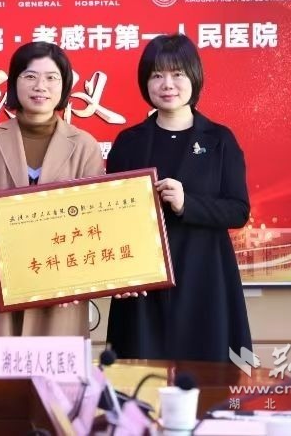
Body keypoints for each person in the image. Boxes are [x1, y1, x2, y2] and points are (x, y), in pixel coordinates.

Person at [106, 34, 252, 362]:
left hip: (205, 276)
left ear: (194, 77)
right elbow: (112, 215)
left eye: (177, 74)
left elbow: (238, 210)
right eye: (157, 75)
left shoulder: (219, 139)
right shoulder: (129, 141)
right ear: (146, 82)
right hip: (143, 281)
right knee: (138, 375)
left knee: (208, 375)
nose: (167, 84)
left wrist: (188, 203)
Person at [0, 42, 105, 341]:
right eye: (30, 76)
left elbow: (96, 217)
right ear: (14, 83)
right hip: (1, 280)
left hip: (60, 282)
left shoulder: (84, 145)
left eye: (51, 78)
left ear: (64, 85)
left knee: (53, 367)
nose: (40, 86)